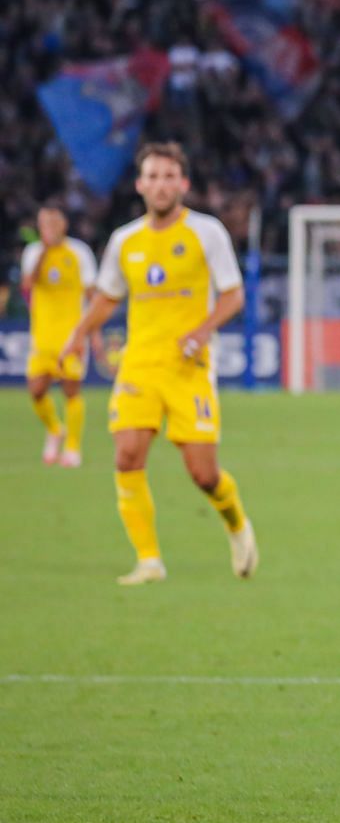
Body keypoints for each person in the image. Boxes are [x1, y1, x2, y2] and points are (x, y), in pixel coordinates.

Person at [60, 143, 258, 585]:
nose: (161, 184)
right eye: (152, 176)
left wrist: (204, 329)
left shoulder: (207, 233)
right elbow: (109, 297)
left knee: (203, 474)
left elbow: (233, 295)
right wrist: (78, 334)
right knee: (127, 455)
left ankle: (237, 525)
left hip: (188, 367)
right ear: (140, 185)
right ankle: (149, 560)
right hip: (139, 365)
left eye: (169, 176)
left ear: (183, 184)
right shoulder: (125, 241)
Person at [21, 203, 101, 467]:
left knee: (71, 390)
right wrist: (45, 248)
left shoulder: (79, 252)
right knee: (36, 391)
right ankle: (55, 429)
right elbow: (28, 286)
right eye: (44, 224)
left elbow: (93, 297)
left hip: (72, 336)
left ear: (63, 224)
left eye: (53, 223)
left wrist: (94, 333)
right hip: (42, 336)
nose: (49, 229)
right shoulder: (33, 253)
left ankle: (73, 447)